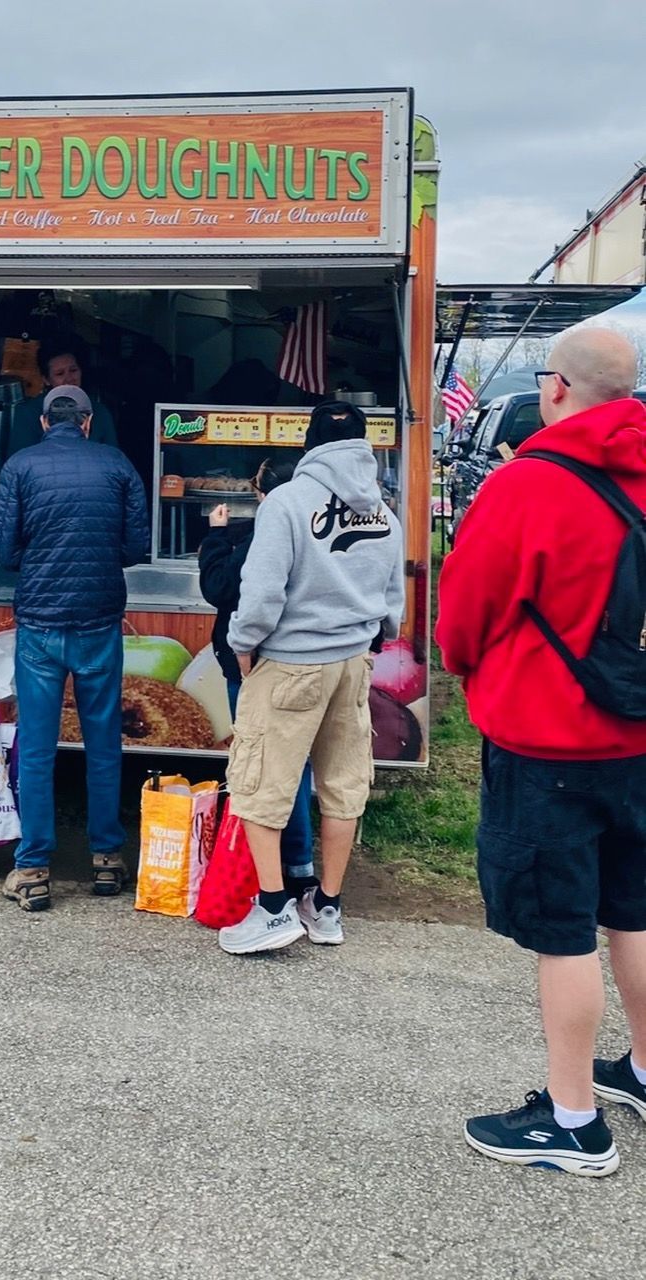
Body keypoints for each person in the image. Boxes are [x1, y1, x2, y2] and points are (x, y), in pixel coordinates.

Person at [437, 327, 646, 1178]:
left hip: (549, 745)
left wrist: (465, 668)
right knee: (633, 912)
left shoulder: (530, 484)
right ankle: (640, 1072)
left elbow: (464, 616)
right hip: (640, 739)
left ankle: (573, 1123)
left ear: (556, 387)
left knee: (563, 934)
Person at [218, 401, 404, 955]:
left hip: (291, 663)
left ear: (311, 445)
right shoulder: (385, 513)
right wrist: (372, 637)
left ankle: (273, 908)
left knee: (261, 784)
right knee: (343, 786)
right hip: (352, 664)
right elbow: (394, 600)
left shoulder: (287, 503)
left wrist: (242, 643)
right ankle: (327, 907)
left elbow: (262, 591)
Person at [0, 384, 149, 911]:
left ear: (43, 422)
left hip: (39, 622)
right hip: (100, 620)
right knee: (104, 744)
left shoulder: (19, 466)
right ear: (86, 421)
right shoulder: (118, 464)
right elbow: (135, 546)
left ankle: (33, 868)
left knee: (36, 748)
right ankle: (107, 860)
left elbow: (5, 550)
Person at [198, 460, 316, 898]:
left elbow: (222, 589)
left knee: (256, 769)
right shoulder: (315, 530)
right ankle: (300, 868)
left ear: (263, 493)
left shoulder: (265, 535)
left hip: (257, 667)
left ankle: (263, 880)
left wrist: (215, 536)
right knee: (296, 766)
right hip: (306, 663)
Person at [6, 342, 118, 457]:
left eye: (73, 370)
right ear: (46, 380)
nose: (69, 379)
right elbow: (19, 461)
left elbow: (113, 458)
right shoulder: (28, 412)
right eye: (60, 374)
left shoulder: (99, 411)